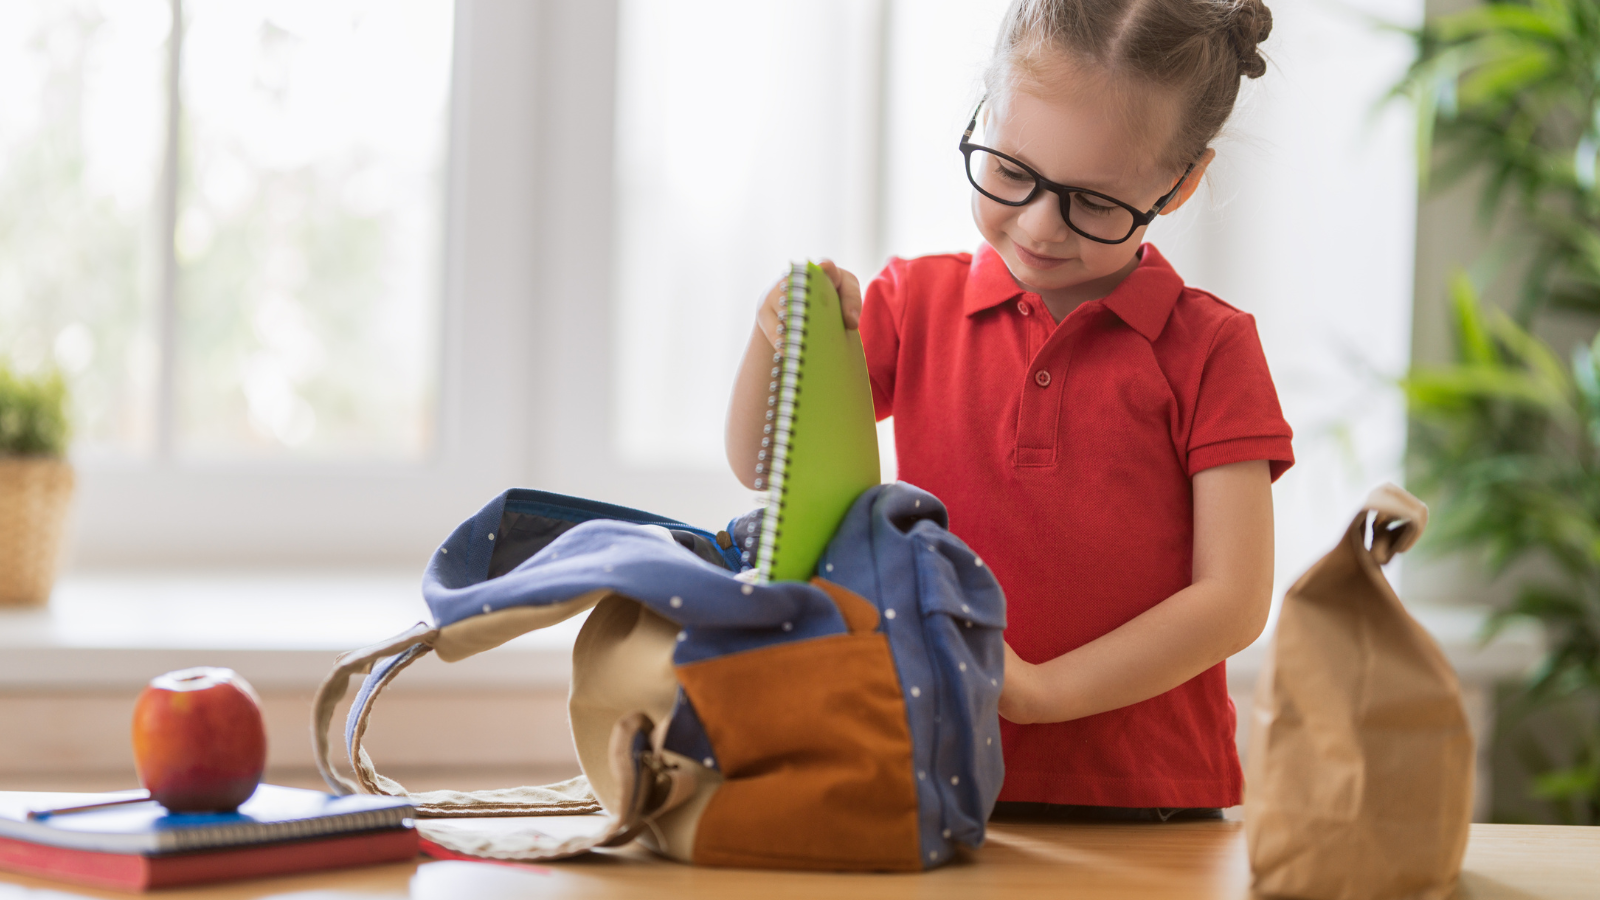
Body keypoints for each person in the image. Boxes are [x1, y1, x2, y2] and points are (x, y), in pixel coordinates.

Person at [725, 0, 1292, 821]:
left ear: (1181, 182)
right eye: (1011, 172)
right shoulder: (910, 305)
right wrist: (774, 338)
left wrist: (1040, 693)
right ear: (984, 113)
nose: (1038, 226)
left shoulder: (1213, 349)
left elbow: (1234, 600)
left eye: (1095, 203)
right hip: (933, 769)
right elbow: (763, 468)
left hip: (1145, 795)